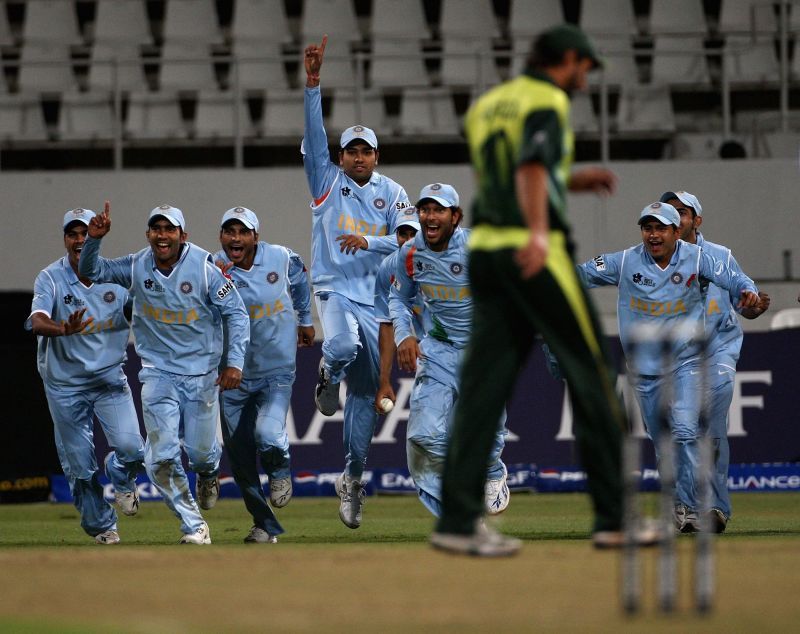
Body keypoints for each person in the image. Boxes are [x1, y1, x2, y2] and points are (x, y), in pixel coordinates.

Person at [432, 24, 643, 556]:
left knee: (483, 389)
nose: (586, 80)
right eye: (585, 68)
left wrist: (574, 177)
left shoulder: (490, 105)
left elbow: (508, 170)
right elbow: (528, 166)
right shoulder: (546, 99)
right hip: (534, 250)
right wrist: (538, 234)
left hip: (486, 252)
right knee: (594, 374)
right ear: (567, 59)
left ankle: (457, 520)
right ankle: (615, 518)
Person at [577, 201, 761, 533]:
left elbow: (732, 278)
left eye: (661, 228)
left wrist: (747, 293)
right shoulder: (623, 261)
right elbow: (580, 274)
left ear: (678, 232)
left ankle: (687, 507)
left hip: (688, 362)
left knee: (686, 430)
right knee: (666, 441)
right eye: (648, 228)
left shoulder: (699, 259)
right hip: (644, 369)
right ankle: (681, 504)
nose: (653, 235)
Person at [79, 203, 250, 545]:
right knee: (160, 456)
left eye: (169, 229)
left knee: (201, 454)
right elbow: (92, 272)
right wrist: (94, 241)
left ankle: (207, 472)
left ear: (182, 236)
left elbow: (237, 313)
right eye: (156, 228)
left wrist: (234, 363)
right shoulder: (136, 264)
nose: (162, 235)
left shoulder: (205, 269)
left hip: (201, 375)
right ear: (149, 234)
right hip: (157, 374)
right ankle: (194, 525)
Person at [303, 35, 413, 528]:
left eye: (366, 151)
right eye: (350, 151)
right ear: (339, 156)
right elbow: (312, 130)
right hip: (335, 289)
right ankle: (326, 374)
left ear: (376, 155)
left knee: (367, 400)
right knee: (341, 346)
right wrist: (312, 84)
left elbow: (410, 243)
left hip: (378, 301)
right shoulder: (325, 183)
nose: (359, 158)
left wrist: (371, 244)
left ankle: (351, 478)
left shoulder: (393, 193)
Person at [25, 207, 145, 544]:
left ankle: (120, 475)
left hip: (109, 380)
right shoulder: (50, 278)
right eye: (72, 234)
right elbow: (36, 320)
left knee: (132, 450)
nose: (79, 240)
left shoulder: (119, 278)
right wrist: (62, 328)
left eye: (84, 233)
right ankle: (102, 526)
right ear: (65, 240)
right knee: (79, 465)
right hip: (64, 385)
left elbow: (152, 314)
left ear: (96, 236)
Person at [389, 183, 510, 518]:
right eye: (425, 209)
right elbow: (398, 299)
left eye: (438, 209)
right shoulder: (410, 252)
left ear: (455, 216)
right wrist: (405, 336)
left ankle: (492, 470)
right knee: (422, 438)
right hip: (438, 351)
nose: (430, 216)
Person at [659, 190, 770, 532]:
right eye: (669, 212)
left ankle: (716, 509)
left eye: (682, 212)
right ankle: (686, 508)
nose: (675, 218)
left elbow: (744, 301)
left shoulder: (720, 256)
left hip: (718, 350)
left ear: (697, 220)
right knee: (682, 428)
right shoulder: (655, 259)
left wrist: (752, 306)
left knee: (711, 424)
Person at [213, 206, 315, 544]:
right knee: (240, 458)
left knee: (269, 435)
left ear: (256, 236)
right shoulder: (213, 267)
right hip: (232, 376)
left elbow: (301, 282)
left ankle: (279, 468)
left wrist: (304, 319)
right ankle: (264, 524)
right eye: (230, 231)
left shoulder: (282, 258)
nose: (236, 238)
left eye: (243, 232)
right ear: (222, 237)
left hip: (276, 371)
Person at [372, 215, 424, 412]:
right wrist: (384, 380)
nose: (408, 240)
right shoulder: (389, 268)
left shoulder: (446, 260)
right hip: (431, 350)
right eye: (403, 234)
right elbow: (387, 323)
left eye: (414, 234)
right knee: (425, 431)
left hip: (466, 345)